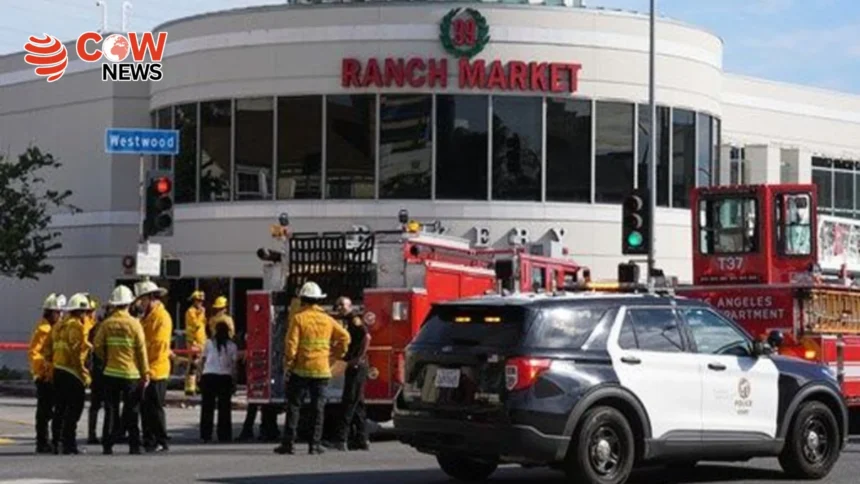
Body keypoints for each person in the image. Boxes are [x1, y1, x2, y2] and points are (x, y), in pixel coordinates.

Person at [274, 282, 350, 456]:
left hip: (300, 369)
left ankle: (289, 444)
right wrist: (336, 354)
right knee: (318, 408)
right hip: (322, 370)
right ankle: (314, 445)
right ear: (318, 300)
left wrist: (289, 365)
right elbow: (345, 337)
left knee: (294, 407)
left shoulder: (299, 318)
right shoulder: (327, 319)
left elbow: (291, 345)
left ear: (303, 300)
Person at [93, 285, 149, 455]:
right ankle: (134, 445)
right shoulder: (134, 324)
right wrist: (145, 372)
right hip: (131, 374)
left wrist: (107, 359)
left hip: (110, 373)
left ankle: (107, 444)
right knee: (132, 409)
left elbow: (97, 346)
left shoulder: (106, 324)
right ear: (129, 304)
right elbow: (141, 350)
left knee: (110, 409)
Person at [49, 293, 92, 455]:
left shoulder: (59, 326)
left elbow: (48, 350)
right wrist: (84, 374)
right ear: (80, 312)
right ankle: (69, 444)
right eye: (86, 312)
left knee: (59, 409)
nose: (87, 316)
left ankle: (56, 443)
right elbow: (76, 354)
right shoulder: (76, 327)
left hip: (58, 370)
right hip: (72, 373)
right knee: (74, 410)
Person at [326, 297, 371, 451]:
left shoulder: (354, 319)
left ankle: (340, 439)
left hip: (357, 366)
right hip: (355, 365)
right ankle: (362, 439)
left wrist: (358, 358)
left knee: (348, 402)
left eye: (342, 305)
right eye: (337, 305)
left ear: (350, 306)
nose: (339, 307)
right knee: (358, 404)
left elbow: (366, 337)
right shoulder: (346, 320)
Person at [135, 280, 173, 453]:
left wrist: (147, 369)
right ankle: (148, 439)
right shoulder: (146, 317)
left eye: (142, 299)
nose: (139, 303)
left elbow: (157, 346)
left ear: (151, 298)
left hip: (157, 369)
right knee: (145, 406)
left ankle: (161, 439)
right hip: (145, 368)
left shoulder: (161, 317)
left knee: (155, 406)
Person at [28, 293, 66, 454]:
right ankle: (43, 442)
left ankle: (47, 441)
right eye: (60, 312)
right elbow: (36, 354)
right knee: (45, 412)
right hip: (46, 377)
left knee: (49, 411)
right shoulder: (45, 330)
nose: (62, 315)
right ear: (52, 313)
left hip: (50, 375)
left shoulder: (52, 328)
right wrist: (45, 371)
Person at [199, 321, 239, 443]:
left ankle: (206, 435)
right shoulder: (232, 346)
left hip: (209, 376)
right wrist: (234, 381)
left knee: (207, 408)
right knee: (224, 408)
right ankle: (224, 435)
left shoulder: (209, 343)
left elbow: (203, 361)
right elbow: (233, 366)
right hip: (224, 378)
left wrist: (199, 376)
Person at [85, 296, 105, 445]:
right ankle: (95, 434)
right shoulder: (92, 326)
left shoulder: (95, 326)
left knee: (98, 404)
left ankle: (97, 434)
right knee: (101, 404)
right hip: (100, 369)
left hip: (98, 369)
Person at [184, 290, 207, 396]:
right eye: (199, 301)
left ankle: (198, 385)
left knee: (200, 365)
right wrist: (201, 313)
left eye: (202, 301)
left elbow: (203, 326)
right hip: (193, 342)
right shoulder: (191, 311)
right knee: (193, 364)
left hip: (201, 341)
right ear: (194, 301)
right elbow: (196, 324)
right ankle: (189, 387)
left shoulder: (200, 312)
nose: (201, 303)